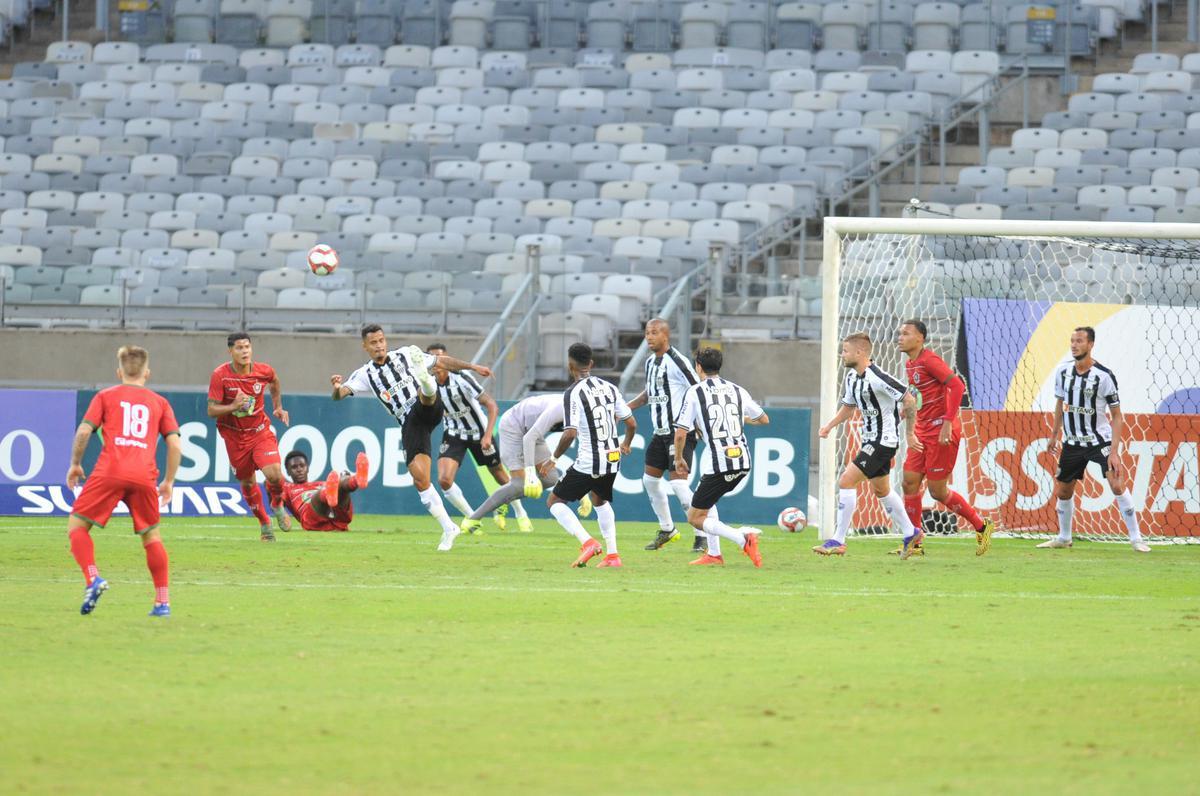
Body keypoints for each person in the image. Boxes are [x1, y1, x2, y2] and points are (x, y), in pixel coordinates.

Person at [330, 325, 492, 551]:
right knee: (420, 479)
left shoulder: (405, 354)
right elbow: (340, 395)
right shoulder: (365, 374)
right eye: (374, 343)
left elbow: (443, 362)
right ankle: (449, 528)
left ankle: (426, 382)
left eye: (381, 340)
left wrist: (473, 367)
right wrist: (337, 387)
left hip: (428, 406)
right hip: (410, 424)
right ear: (365, 346)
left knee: (423, 397)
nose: (379, 346)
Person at [67, 345, 181, 618]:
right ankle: (162, 603)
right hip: (144, 475)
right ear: (147, 373)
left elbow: (84, 432)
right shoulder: (160, 402)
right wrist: (168, 481)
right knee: (151, 536)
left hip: (109, 471)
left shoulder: (105, 396)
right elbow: (175, 445)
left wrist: (75, 464)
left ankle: (93, 578)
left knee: (77, 527)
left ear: (119, 372)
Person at [1038, 326, 1149, 552]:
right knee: (1063, 491)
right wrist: (1054, 434)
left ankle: (1136, 538)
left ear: (1090, 345)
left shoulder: (1104, 376)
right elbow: (1060, 404)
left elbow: (1117, 416)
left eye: (1079, 341)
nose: (1074, 345)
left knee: (1116, 483)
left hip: (1100, 441)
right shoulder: (1062, 372)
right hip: (1072, 442)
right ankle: (1064, 537)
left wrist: (1115, 451)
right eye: (1072, 341)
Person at [816, 333, 922, 557]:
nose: (842, 355)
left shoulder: (878, 377)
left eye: (845, 351)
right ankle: (911, 533)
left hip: (883, 441)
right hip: (871, 439)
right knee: (881, 490)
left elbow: (908, 398)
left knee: (846, 480)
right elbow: (848, 407)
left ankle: (838, 540)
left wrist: (910, 434)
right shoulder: (852, 378)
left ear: (860, 352)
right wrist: (829, 426)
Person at [898, 319, 995, 556]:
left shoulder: (930, 360)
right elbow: (921, 393)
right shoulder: (911, 364)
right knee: (909, 482)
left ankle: (982, 526)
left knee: (937, 492)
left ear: (920, 338)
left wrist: (948, 421)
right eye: (899, 333)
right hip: (922, 430)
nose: (900, 337)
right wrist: (910, 409)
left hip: (942, 432)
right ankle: (915, 540)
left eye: (905, 333)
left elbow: (957, 386)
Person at [673, 347, 770, 567]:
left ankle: (742, 539)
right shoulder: (738, 390)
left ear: (698, 366)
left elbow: (680, 434)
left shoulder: (695, 392)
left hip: (720, 463)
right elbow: (764, 419)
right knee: (707, 503)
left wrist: (679, 458)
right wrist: (738, 419)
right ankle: (714, 555)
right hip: (743, 461)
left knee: (695, 518)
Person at [547, 343, 636, 568]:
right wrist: (626, 443)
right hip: (613, 458)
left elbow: (569, 434)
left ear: (570, 365)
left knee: (555, 501)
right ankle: (613, 555)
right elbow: (631, 423)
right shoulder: (610, 387)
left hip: (590, 460)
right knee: (599, 499)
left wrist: (554, 459)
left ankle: (588, 542)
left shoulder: (573, 393)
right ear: (591, 363)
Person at [426, 343, 530, 533]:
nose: (438, 364)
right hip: (454, 433)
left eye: (441, 359)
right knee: (444, 480)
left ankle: (520, 513)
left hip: (479, 433)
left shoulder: (462, 378)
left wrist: (488, 435)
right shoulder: (428, 384)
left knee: (500, 476)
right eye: (434, 359)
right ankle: (472, 518)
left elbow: (491, 405)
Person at [459, 392, 594, 532]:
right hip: (514, 426)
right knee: (519, 484)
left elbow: (582, 450)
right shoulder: (561, 408)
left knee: (550, 478)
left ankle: (504, 497)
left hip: (533, 431)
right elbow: (529, 438)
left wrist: (581, 492)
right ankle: (472, 519)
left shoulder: (587, 417)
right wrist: (530, 473)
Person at [626, 319, 704, 554]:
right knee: (649, 481)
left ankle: (702, 535)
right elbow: (651, 393)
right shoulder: (650, 362)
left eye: (654, 333)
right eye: (647, 333)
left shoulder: (677, 361)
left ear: (665, 336)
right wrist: (625, 407)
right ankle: (667, 529)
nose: (649, 337)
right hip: (659, 433)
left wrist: (699, 422)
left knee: (679, 483)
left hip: (680, 432)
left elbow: (699, 389)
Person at [208, 331, 290, 542]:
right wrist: (233, 406)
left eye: (247, 347)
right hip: (235, 437)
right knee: (247, 482)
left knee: (275, 475)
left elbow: (274, 381)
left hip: (259, 431)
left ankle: (277, 504)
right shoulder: (220, 375)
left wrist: (278, 407)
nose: (244, 351)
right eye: (239, 348)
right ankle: (264, 523)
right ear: (230, 351)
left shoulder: (263, 370)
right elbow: (211, 410)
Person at [280, 450, 370, 532]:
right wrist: (282, 514)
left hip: (337, 517)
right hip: (312, 519)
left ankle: (357, 480)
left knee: (340, 485)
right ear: (288, 471)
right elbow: (275, 497)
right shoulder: (287, 488)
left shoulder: (323, 483)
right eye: (294, 467)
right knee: (322, 493)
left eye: (302, 466)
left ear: (307, 468)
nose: (299, 469)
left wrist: (342, 480)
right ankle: (327, 494)